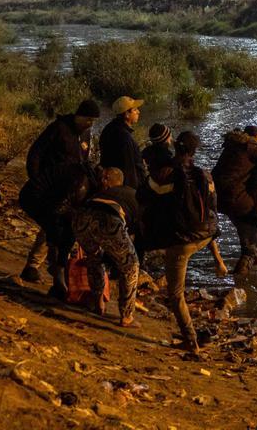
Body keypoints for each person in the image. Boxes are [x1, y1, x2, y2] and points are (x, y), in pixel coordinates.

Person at [141, 131, 227, 355]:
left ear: (175, 147)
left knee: (176, 293)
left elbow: (143, 198)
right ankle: (219, 262)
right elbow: (211, 212)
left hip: (182, 241)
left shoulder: (165, 175)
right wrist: (216, 254)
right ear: (194, 151)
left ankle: (191, 340)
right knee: (201, 227)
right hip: (206, 235)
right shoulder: (206, 176)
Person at [19, 99, 101, 298]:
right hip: (49, 186)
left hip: (69, 187)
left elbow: (83, 159)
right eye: (88, 119)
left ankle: (46, 268)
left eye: (93, 121)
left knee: (56, 227)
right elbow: (36, 153)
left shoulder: (85, 134)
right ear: (79, 115)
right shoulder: (58, 129)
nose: (91, 123)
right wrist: (37, 178)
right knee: (54, 226)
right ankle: (43, 269)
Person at [71, 167, 140, 326]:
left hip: (81, 218)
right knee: (131, 266)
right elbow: (136, 230)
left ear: (110, 182)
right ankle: (126, 316)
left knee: (94, 258)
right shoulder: (132, 194)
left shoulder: (100, 193)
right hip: (109, 218)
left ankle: (99, 304)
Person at [212, 126, 257, 276]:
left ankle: (256, 275)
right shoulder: (248, 148)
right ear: (254, 138)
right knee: (250, 249)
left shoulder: (231, 148)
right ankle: (241, 283)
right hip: (237, 200)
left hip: (222, 199)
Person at [99, 96, 147, 190]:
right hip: (123, 187)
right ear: (127, 114)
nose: (138, 112)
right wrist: (132, 193)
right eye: (135, 109)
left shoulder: (108, 129)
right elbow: (128, 170)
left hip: (111, 182)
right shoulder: (124, 137)